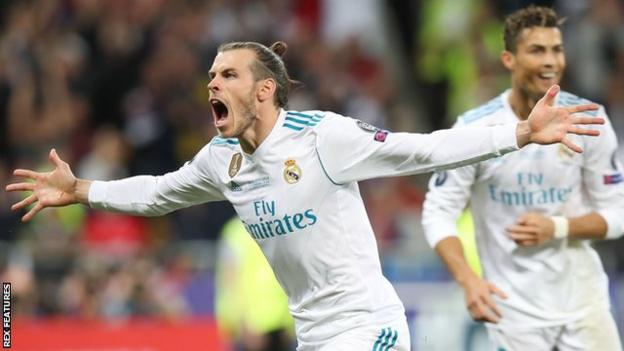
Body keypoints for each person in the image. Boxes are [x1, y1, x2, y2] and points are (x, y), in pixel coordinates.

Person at [6, 40, 603, 350]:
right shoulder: (223, 160)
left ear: (265, 91)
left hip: (369, 327)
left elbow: (424, 150)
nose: (212, 82)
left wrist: (520, 132)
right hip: (313, 335)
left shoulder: (324, 137)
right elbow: (159, 193)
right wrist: (84, 189)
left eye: (228, 75)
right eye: (210, 75)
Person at [422, 6, 623, 351]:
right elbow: (437, 214)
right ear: (508, 60)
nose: (550, 61)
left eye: (556, 49)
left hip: (584, 307)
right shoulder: (474, 129)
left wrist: (557, 227)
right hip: (514, 316)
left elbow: (618, 216)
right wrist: (468, 281)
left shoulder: (589, 120)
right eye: (536, 50)